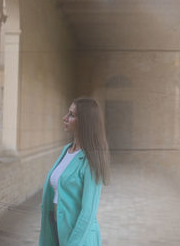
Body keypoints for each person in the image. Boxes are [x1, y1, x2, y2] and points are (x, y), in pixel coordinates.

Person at [39, 97, 111, 246]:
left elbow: (88, 213)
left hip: (79, 239)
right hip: (56, 232)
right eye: (68, 113)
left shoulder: (91, 159)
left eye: (71, 115)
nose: (64, 118)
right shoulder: (67, 150)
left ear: (84, 122)